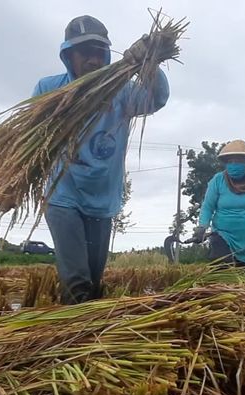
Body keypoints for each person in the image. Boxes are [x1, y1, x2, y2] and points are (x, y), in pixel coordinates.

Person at [33, 15, 170, 304]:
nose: (93, 60)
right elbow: (29, 139)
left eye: (99, 52)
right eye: (85, 53)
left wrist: (149, 62)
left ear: (108, 55)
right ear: (68, 56)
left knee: (94, 282)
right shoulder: (49, 91)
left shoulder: (122, 93)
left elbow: (156, 99)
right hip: (62, 196)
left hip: (101, 200)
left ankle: (84, 335)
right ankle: (74, 343)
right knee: (77, 282)